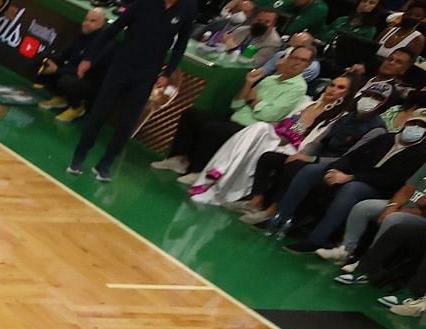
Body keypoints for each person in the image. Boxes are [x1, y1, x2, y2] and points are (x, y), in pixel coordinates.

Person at [68, 0, 198, 181]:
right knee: (99, 112)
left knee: (127, 123)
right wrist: (89, 57)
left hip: (147, 74)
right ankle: (79, 157)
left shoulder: (188, 8)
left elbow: (180, 45)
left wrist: (167, 73)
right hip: (121, 66)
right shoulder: (144, 3)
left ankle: (105, 164)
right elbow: (114, 29)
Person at [239, 72, 392, 219]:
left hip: (337, 166)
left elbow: (348, 158)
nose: (369, 99)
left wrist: (309, 159)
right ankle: (256, 201)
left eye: (376, 98)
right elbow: (319, 141)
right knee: (269, 157)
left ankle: (273, 210)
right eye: (368, 95)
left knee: (295, 166)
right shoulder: (347, 118)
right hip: (317, 155)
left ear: (383, 103)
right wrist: (301, 154)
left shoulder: (376, 129)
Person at [189, 71, 354, 204]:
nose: (333, 89)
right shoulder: (306, 103)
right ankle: (219, 171)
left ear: (347, 94)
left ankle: (220, 173)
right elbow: (280, 123)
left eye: (340, 88)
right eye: (332, 85)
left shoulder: (339, 117)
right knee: (259, 128)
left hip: (295, 149)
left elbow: (312, 144)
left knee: (260, 134)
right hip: (277, 137)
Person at [270, 108, 426, 248]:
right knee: (311, 171)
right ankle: (280, 218)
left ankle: (316, 239)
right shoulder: (386, 138)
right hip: (351, 175)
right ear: (407, 121)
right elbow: (353, 156)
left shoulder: (421, 153)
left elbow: (391, 179)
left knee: (352, 188)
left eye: (423, 126)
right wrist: (334, 168)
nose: (417, 128)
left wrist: (350, 177)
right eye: (415, 123)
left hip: (378, 189)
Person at [153, 43, 315, 175]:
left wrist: (251, 97)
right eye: (294, 57)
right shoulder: (270, 79)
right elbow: (237, 104)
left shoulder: (298, 88)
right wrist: (248, 83)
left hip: (252, 130)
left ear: (307, 65)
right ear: (286, 58)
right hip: (237, 116)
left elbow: (269, 114)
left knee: (214, 129)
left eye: (302, 60)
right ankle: (179, 159)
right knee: (193, 114)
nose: (296, 62)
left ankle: (197, 171)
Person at [37, 7, 117, 121]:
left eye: (92, 21)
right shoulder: (82, 36)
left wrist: (57, 70)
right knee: (48, 62)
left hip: (92, 83)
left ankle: (77, 107)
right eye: (86, 20)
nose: (86, 23)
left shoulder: (105, 44)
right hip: (75, 73)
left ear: (102, 23)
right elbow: (64, 53)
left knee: (65, 80)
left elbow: (86, 70)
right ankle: (61, 98)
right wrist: (49, 61)